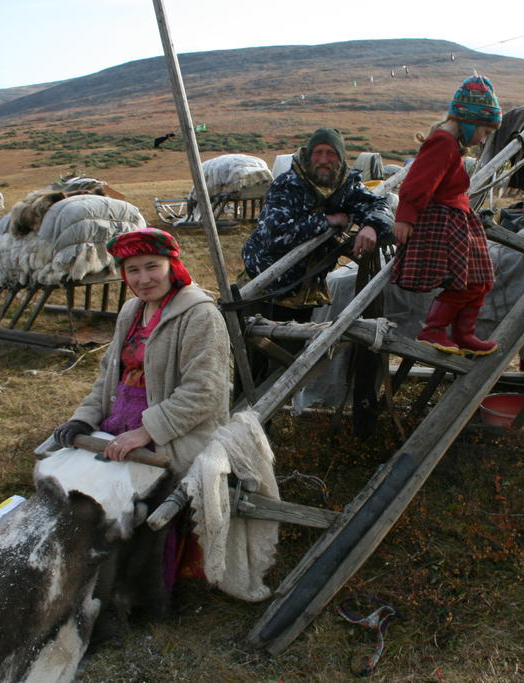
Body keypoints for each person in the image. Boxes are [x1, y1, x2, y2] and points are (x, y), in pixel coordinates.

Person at [52, 226, 231, 639]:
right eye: (133, 270)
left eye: (153, 266)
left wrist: (146, 432)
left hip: (181, 428)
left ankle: (135, 593)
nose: (144, 278)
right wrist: (84, 417)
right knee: (72, 481)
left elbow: (205, 391)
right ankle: (74, 579)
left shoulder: (200, 314)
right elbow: (107, 378)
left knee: (133, 498)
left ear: (173, 266)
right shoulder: (131, 313)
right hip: (122, 419)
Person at [392, 75, 502, 356]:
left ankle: (464, 334)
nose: (483, 139)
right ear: (470, 120)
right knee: (467, 281)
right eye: (485, 131)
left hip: (458, 219)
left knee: (481, 280)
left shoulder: (450, 145)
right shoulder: (442, 142)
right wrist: (405, 216)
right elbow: (418, 181)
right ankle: (434, 329)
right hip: (443, 222)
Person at [241, 127, 394, 321]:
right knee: (262, 346)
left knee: (298, 345)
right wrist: (327, 221)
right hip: (267, 286)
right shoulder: (288, 184)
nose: (323, 160)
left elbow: (379, 204)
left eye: (331, 153)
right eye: (318, 152)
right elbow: (276, 234)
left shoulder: (346, 186)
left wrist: (372, 226)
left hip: (307, 289)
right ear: (308, 155)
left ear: (340, 157)